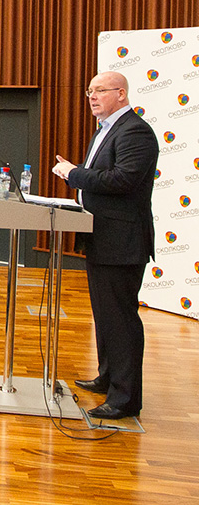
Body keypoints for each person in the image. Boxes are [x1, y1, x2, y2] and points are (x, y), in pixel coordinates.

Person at [51, 70, 159, 420]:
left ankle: (125, 399)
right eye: (90, 91)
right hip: (101, 238)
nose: (92, 96)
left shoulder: (135, 132)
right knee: (105, 315)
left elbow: (123, 180)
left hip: (122, 241)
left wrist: (73, 173)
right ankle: (108, 377)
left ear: (122, 95)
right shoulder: (107, 130)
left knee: (121, 319)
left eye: (100, 91)